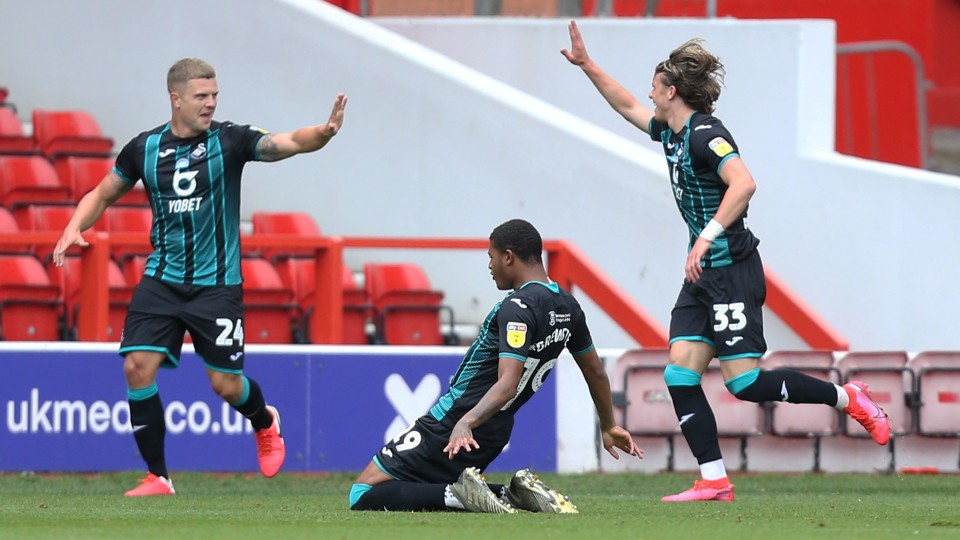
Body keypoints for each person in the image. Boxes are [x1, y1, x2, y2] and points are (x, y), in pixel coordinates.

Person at [561, 21, 890, 502]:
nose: (648, 95)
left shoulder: (704, 134)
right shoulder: (670, 132)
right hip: (701, 277)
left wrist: (705, 237)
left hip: (731, 271)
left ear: (671, 91)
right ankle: (714, 479)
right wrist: (588, 67)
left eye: (654, 88)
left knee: (746, 383)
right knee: (678, 374)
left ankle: (849, 399)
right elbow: (627, 106)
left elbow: (744, 183)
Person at [52, 58, 347, 496]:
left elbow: (281, 142)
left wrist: (319, 136)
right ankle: (158, 476)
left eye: (214, 96)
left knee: (225, 385)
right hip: (162, 278)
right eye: (201, 96)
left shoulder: (229, 141)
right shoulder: (144, 148)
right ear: (176, 98)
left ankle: (264, 420)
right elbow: (103, 191)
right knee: (137, 366)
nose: (210, 103)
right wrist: (76, 224)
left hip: (217, 284)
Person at [349, 218, 642, 513]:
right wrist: (609, 424)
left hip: (455, 422)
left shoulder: (518, 307)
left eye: (491, 257)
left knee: (362, 493)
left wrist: (465, 423)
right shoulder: (568, 306)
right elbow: (594, 370)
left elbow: (507, 383)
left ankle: (462, 496)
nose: (490, 266)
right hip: (496, 429)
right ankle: (513, 493)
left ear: (508, 257)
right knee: (424, 487)